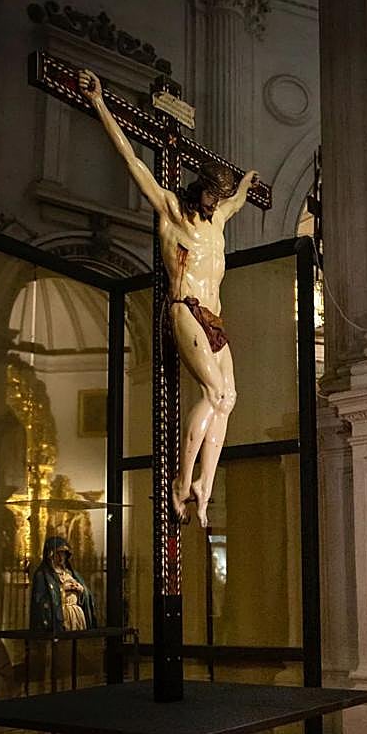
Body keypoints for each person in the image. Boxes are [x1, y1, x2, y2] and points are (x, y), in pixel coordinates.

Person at [78, 68, 259, 528]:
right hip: (184, 309)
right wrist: (101, 103)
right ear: (199, 191)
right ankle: (181, 483)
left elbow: (239, 203)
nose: (217, 205)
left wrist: (244, 187)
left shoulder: (218, 220)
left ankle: (204, 486)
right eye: (213, 197)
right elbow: (132, 162)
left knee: (230, 397)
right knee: (213, 391)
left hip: (213, 317)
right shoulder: (171, 212)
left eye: (221, 199)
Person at [30, 536, 97, 633]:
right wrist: (61, 589)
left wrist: (81, 590)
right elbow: (39, 601)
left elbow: (87, 597)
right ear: (51, 554)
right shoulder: (43, 575)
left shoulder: (72, 574)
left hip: (77, 616)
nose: (61, 557)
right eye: (58, 553)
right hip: (60, 618)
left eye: (63, 554)